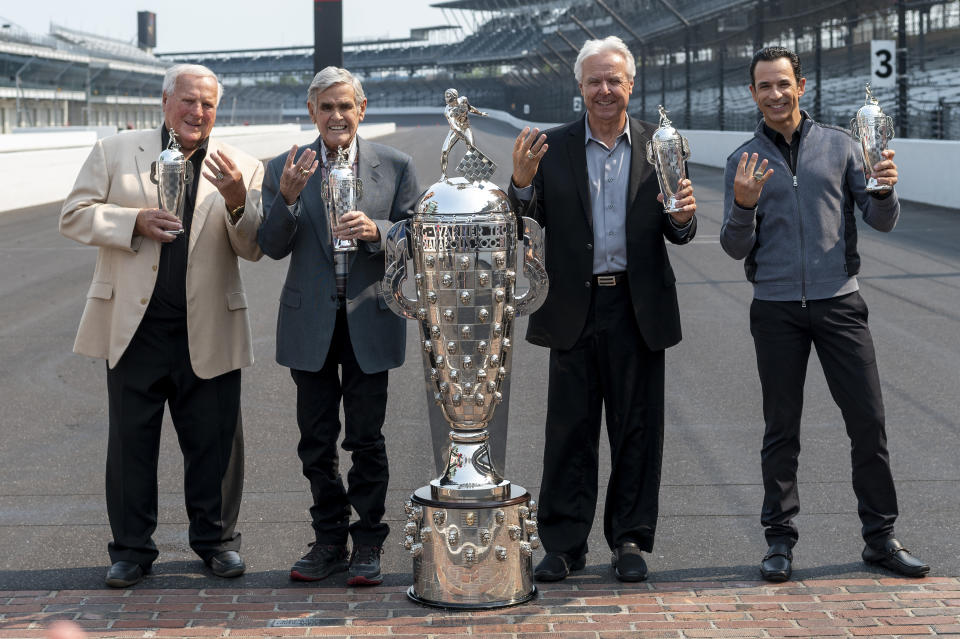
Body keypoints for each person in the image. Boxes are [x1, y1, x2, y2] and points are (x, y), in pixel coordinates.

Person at [721, 46, 930, 582]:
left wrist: (886, 188)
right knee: (781, 429)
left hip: (840, 303)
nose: (774, 94)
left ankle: (881, 538)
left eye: (783, 84)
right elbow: (732, 246)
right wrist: (744, 206)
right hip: (775, 309)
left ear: (802, 86)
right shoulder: (742, 160)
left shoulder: (842, 146)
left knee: (868, 422)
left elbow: (881, 218)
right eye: (764, 86)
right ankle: (779, 539)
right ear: (752, 93)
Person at [59, 63, 263, 587]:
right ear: (166, 101)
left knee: (216, 443)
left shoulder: (241, 164)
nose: (198, 113)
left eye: (208, 104)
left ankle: (217, 543)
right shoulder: (116, 151)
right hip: (135, 327)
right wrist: (132, 222)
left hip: (209, 322)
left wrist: (240, 200)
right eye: (189, 101)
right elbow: (74, 214)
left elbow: (254, 247)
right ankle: (130, 550)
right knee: (131, 445)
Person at [508, 35, 697, 583]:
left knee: (637, 429)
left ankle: (631, 539)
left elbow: (679, 229)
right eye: (595, 81)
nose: (605, 90)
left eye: (614, 80)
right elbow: (525, 223)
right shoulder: (551, 148)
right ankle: (564, 544)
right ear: (580, 88)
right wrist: (519, 184)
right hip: (573, 305)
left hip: (638, 306)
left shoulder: (660, 144)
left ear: (631, 85)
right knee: (569, 431)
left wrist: (683, 215)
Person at [258, 67, 419, 586]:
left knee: (367, 440)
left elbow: (419, 235)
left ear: (362, 109)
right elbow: (271, 244)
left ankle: (368, 542)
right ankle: (328, 538)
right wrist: (284, 199)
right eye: (326, 107)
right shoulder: (285, 166)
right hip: (311, 325)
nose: (336, 116)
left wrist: (381, 231)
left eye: (345, 106)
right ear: (311, 112)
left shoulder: (394, 165)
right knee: (316, 442)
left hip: (370, 319)